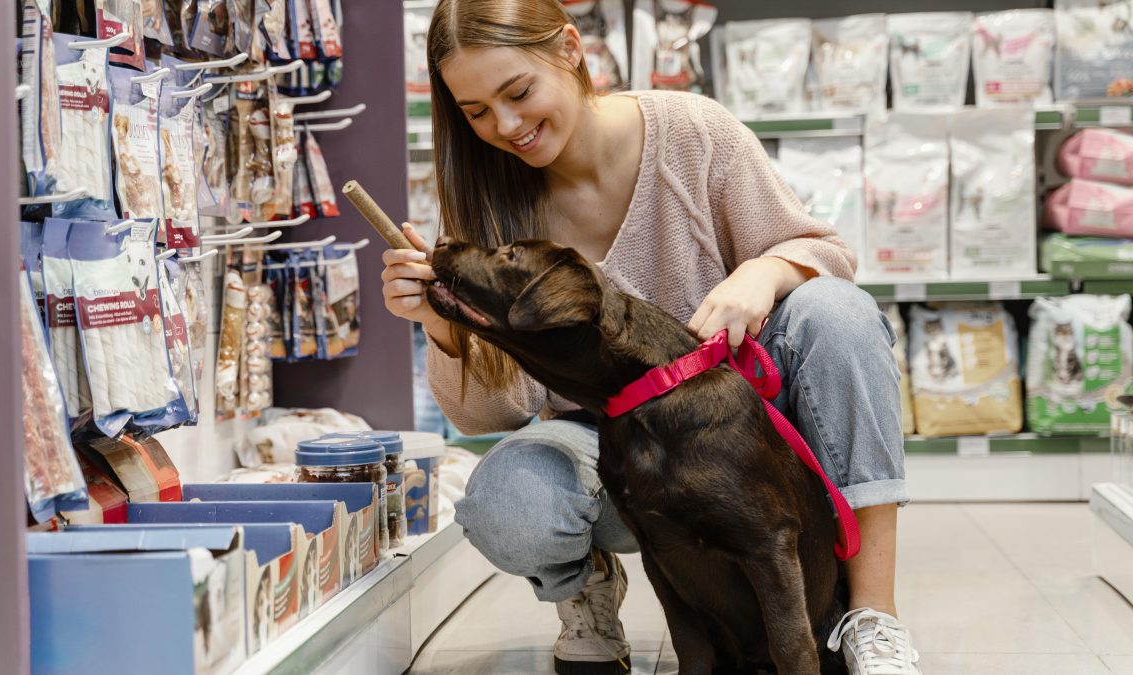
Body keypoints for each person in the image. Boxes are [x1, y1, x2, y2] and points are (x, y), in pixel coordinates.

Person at [380, 1, 920, 673]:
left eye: (517, 92)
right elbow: (498, 412)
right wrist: (445, 327)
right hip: (610, 447)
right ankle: (586, 591)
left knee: (837, 312)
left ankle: (870, 613)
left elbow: (827, 254)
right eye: (477, 111)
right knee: (506, 503)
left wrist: (765, 268)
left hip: (740, 437)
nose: (506, 125)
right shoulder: (491, 203)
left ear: (571, 49)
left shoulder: (692, 133)